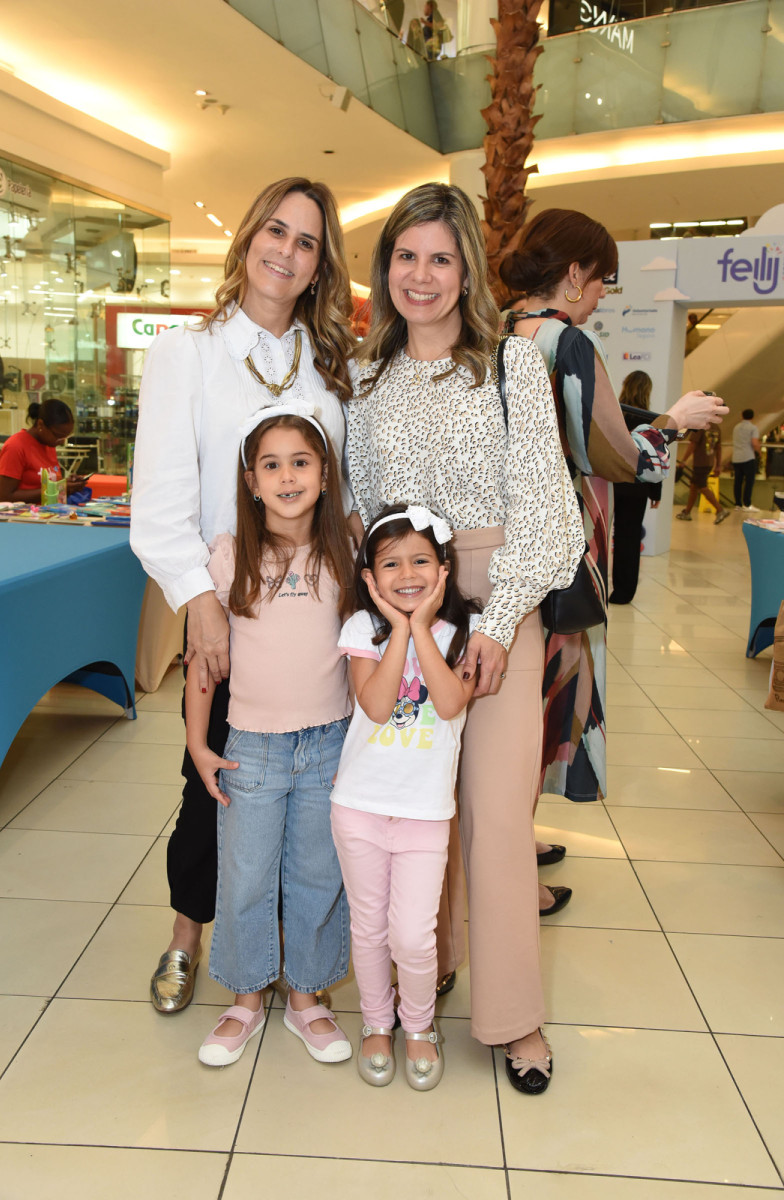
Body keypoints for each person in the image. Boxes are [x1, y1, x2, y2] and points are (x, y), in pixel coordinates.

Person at [346, 182, 585, 1094]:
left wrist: (495, 618)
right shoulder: (367, 379)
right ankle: (427, 964)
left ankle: (514, 1017)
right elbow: (363, 509)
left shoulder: (512, 367)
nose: (421, 275)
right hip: (403, 615)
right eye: (406, 256)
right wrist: (383, 619)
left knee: (494, 817)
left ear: (468, 270)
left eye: (440, 257)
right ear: (387, 268)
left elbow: (551, 516)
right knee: (412, 805)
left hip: (495, 608)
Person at [130, 177, 356, 1016]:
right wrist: (202, 600)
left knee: (306, 783)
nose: (286, 252)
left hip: (317, 613)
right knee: (214, 778)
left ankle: (293, 954)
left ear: (319, 266)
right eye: (275, 231)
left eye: (306, 242)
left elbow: (346, 494)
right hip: (222, 604)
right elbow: (157, 505)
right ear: (247, 240)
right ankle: (188, 934)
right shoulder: (186, 355)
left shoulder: (332, 370)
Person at [501, 209, 728, 874]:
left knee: (517, 704)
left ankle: (517, 839)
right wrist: (675, 422)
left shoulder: (502, 333)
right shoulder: (567, 343)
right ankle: (518, 865)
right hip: (561, 553)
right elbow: (616, 455)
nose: (602, 294)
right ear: (574, 275)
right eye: (603, 280)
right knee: (547, 700)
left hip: (508, 547)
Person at [187, 404, 355, 1067]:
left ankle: (308, 995)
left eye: (302, 462)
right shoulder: (230, 555)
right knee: (246, 876)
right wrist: (200, 745)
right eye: (272, 465)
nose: (288, 477)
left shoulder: (347, 545)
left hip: (331, 744)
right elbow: (203, 661)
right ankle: (247, 996)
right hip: (250, 747)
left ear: (323, 471)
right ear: (251, 481)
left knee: (318, 873)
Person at [331, 504, 480, 1091]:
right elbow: (373, 703)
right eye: (389, 564)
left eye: (421, 560)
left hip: (424, 814)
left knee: (414, 934)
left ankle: (418, 1027)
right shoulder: (358, 631)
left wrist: (421, 627)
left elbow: (447, 704)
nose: (407, 574)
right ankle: (376, 1023)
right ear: (370, 577)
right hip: (360, 807)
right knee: (368, 928)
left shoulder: (463, 633)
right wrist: (398, 628)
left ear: (444, 568)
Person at [610, 371, 663, 605]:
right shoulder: (652, 421)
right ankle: (624, 591)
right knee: (628, 538)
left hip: (611, 481)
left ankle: (599, 586)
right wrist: (655, 492)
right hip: (638, 486)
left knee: (601, 536)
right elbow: (656, 459)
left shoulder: (615, 414)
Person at [0, 398, 88, 502]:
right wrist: (59, 488)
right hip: (26, 515)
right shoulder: (15, 446)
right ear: (40, 425)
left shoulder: (48, 445)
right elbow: (4, 497)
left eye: (66, 437)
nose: (62, 442)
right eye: (58, 436)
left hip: (51, 512)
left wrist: (68, 484)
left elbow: (47, 485)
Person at [676, 427, 729, 523]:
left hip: (700, 463)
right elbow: (718, 448)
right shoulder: (716, 428)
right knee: (694, 486)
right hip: (709, 462)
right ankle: (687, 512)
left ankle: (720, 510)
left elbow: (693, 444)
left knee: (701, 486)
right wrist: (718, 465)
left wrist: (684, 460)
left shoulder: (700, 427)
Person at [732, 408, 761, 512]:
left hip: (736, 457)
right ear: (752, 417)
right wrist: (759, 452)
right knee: (749, 481)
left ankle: (737, 504)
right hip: (748, 457)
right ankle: (747, 504)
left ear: (742, 415)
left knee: (737, 481)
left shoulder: (736, 427)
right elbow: (754, 442)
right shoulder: (753, 428)